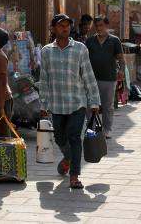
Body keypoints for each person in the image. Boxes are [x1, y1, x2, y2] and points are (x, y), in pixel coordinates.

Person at [39, 14, 100, 189]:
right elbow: (44, 80)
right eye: (60, 26)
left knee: (74, 136)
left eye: (67, 25)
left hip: (77, 103)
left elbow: (88, 76)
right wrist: (43, 105)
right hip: (56, 104)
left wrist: (94, 101)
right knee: (59, 137)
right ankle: (68, 157)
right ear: (53, 29)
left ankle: (74, 175)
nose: (65, 28)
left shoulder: (80, 49)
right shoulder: (46, 51)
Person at [85, 16, 125, 139]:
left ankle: (107, 130)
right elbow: (84, 59)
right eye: (96, 26)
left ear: (106, 26)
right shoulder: (90, 41)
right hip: (91, 80)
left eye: (101, 25)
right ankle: (91, 128)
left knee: (107, 106)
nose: (99, 28)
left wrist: (122, 70)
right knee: (90, 105)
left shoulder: (114, 41)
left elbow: (120, 58)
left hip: (109, 78)